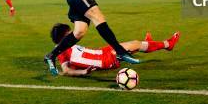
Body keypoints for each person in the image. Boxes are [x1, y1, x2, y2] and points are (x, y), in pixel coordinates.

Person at [50, 23, 180, 76]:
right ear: (65, 36)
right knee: (135, 44)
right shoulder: (62, 50)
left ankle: (149, 43)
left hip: (103, 52)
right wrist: (83, 72)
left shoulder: (62, 48)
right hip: (106, 59)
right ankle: (168, 44)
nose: (73, 32)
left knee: (133, 45)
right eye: (70, 32)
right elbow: (66, 70)